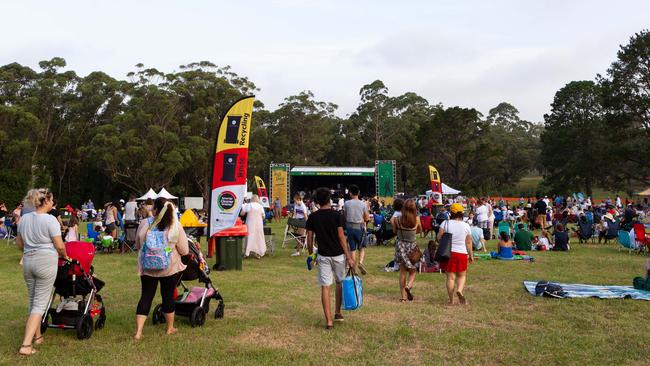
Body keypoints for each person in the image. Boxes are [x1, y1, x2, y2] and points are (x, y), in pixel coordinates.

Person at [15, 188, 68, 356]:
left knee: (33, 300)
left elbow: (19, 244)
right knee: (39, 304)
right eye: (52, 200)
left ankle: (38, 337)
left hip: (28, 261)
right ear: (46, 201)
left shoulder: (24, 219)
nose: (53, 203)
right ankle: (25, 345)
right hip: (45, 261)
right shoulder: (50, 220)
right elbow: (59, 245)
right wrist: (65, 255)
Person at [134, 198, 189, 340]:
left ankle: (139, 332)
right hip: (168, 267)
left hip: (147, 267)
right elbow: (184, 250)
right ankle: (170, 328)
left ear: (156, 210)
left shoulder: (144, 223)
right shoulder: (175, 225)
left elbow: (138, 245)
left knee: (146, 296)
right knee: (168, 296)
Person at [305, 187, 356, 330]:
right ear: (329, 200)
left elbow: (309, 237)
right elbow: (341, 237)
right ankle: (338, 312)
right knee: (339, 283)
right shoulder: (337, 215)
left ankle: (328, 321)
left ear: (317, 201)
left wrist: (311, 254)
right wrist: (349, 256)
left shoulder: (313, 217)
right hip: (338, 255)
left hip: (323, 255)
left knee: (325, 287)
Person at [437, 203, 473, 305]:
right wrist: (471, 255)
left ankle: (451, 300)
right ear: (461, 213)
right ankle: (460, 290)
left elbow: (439, 238)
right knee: (461, 276)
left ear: (451, 213)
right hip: (461, 253)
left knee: (450, 278)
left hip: (448, 253)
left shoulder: (445, 223)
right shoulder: (466, 225)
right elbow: (468, 242)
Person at [391, 199, 422, 302]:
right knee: (413, 271)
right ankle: (409, 286)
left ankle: (403, 297)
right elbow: (419, 231)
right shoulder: (416, 219)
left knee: (403, 272)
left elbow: (395, 231)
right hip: (412, 247)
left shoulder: (397, 219)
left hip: (401, 246)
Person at [343, 185, 370, 275]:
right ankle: (361, 262)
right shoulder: (363, 204)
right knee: (361, 247)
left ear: (350, 193)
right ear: (358, 193)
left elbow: (345, 216)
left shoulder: (346, 203)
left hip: (349, 227)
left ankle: (354, 269)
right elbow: (366, 218)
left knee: (352, 249)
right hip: (359, 227)